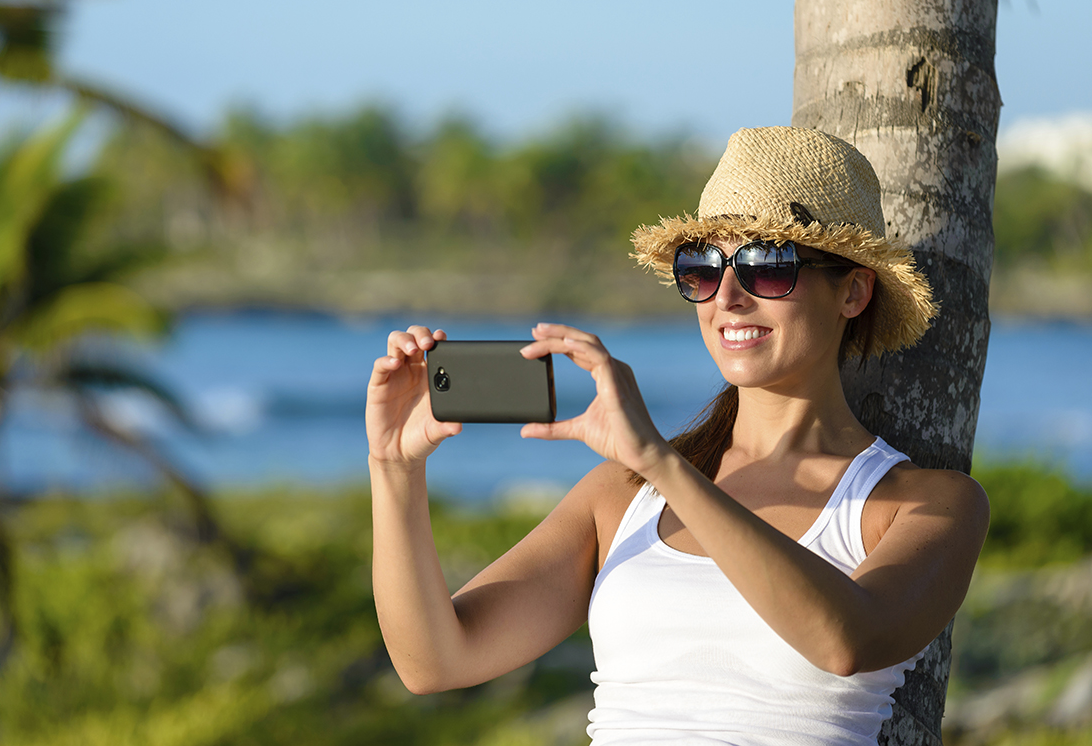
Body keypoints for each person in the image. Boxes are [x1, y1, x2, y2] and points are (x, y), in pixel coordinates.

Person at [366, 126, 990, 745]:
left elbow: (846, 641)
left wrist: (665, 468)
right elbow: (436, 662)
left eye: (767, 266)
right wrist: (394, 468)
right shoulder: (621, 495)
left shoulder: (928, 504)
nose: (730, 297)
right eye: (704, 269)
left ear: (853, 290)